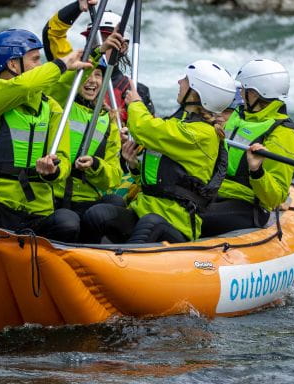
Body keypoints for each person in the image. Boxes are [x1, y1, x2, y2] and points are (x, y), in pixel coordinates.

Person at [82, 53, 235, 244]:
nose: (179, 82)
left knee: (150, 223)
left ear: (197, 93)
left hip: (175, 223)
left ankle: (128, 267)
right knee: (98, 214)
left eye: (186, 80)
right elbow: (161, 180)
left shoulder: (201, 134)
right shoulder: (178, 123)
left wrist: (136, 103)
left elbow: (144, 128)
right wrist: (134, 166)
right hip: (144, 210)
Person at [0, 28, 91, 241]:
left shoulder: (51, 107)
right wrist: (61, 64)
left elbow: (64, 158)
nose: (40, 66)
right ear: (13, 64)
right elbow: (23, 86)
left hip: (37, 214)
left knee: (67, 221)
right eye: (35, 60)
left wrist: (54, 171)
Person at [199, 59, 294, 235]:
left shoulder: (283, 133)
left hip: (249, 206)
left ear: (256, 93)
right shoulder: (238, 116)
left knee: (186, 216)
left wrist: (257, 170)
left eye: (244, 89)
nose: (240, 93)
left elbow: (274, 197)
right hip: (214, 193)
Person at [41, 0, 153, 123]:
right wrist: (77, 7)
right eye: (94, 40)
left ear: (123, 48)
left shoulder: (136, 91)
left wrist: (131, 141)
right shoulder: (73, 71)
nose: (101, 45)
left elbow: (147, 132)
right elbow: (52, 33)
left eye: (108, 41)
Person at [46, 59, 124, 219]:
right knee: (67, 221)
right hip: (52, 196)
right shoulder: (59, 104)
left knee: (115, 203)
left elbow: (115, 177)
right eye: (87, 74)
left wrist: (95, 164)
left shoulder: (108, 120)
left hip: (87, 199)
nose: (93, 80)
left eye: (98, 75)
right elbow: (59, 85)